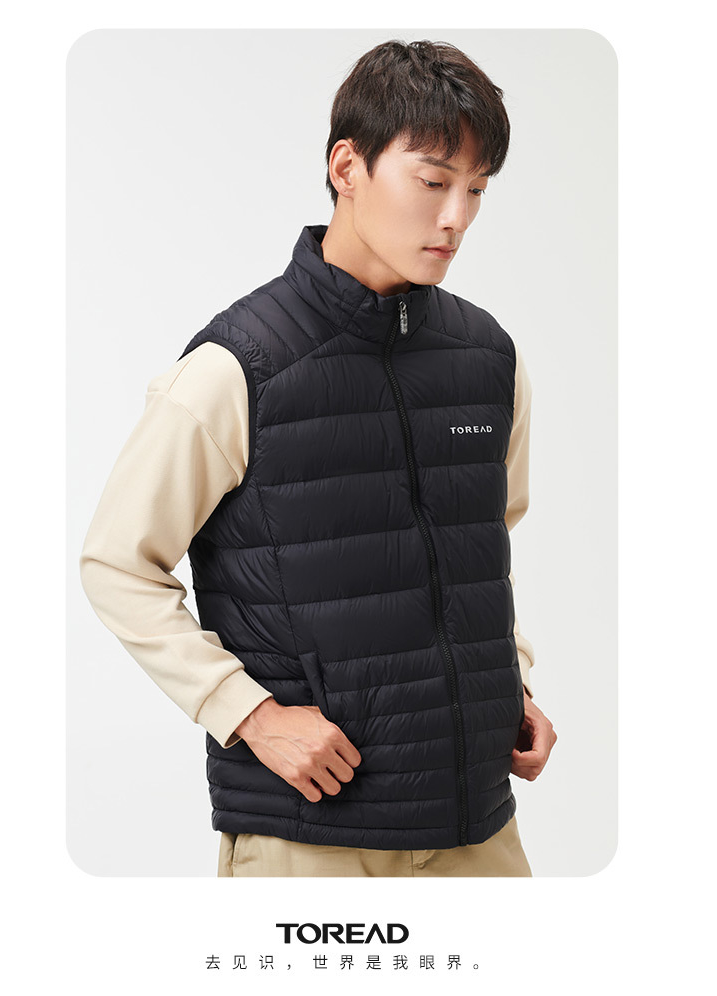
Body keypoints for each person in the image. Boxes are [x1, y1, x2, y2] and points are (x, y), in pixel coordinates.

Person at [80, 38, 557, 878]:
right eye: (434, 181)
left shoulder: (490, 359)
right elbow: (116, 563)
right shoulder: (239, 366)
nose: (457, 218)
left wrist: (509, 686)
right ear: (347, 167)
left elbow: (485, 553)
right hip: (313, 836)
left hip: (478, 829)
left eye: (478, 189)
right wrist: (249, 715)